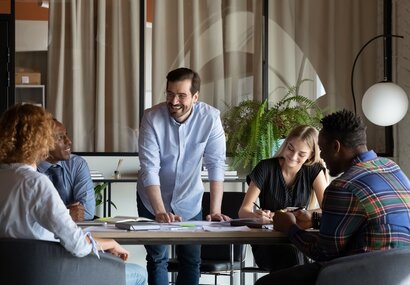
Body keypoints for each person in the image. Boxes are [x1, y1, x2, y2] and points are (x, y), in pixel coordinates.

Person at [0, 104, 147, 285]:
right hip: (48, 272)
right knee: (138, 274)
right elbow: (77, 245)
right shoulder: (35, 182)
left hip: (6, 274)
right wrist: (109, 243)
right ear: (40, 139)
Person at [256, 109, 410, 285]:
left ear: (336, 147)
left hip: (357, 274)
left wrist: (289, 227)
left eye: (321, 149)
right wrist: (316, 219)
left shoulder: (343, 186)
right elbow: (368, 218)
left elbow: (323, 253)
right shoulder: (393, 169)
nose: (320, 156)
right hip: (398, 275)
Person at [137, 67, 229, 285]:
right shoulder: (151, 118)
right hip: (152, 201)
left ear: (195, 97)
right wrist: (160, 211)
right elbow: (149, 167)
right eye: (169, 94)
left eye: (181, 95)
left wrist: (215, 210)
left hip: (189, 200)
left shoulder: (211, 118)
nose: (174, 100)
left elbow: (216, 165)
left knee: (190, 259)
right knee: (157, 258)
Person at [238, 125, 328, 272]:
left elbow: (328, 208)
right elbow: (243, 211)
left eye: (301, 154)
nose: (293, 157)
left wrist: (306, 214)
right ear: (285, 144)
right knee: (294, 259)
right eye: (290, 148)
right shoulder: (265, 167)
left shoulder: (314, 170)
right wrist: (256, 216)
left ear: (311, 156)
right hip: (269, 240)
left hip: (298, 238)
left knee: (297, 256)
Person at [37, 118, 95, 221]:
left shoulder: (77, 164)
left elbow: (87, 212)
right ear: (43, 143)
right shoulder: (28, 172)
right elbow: (31, 216)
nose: (69, 141)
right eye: (60, 137)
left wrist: (54, 214)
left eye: (66, 135)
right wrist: (68, 213)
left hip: (74, 232)